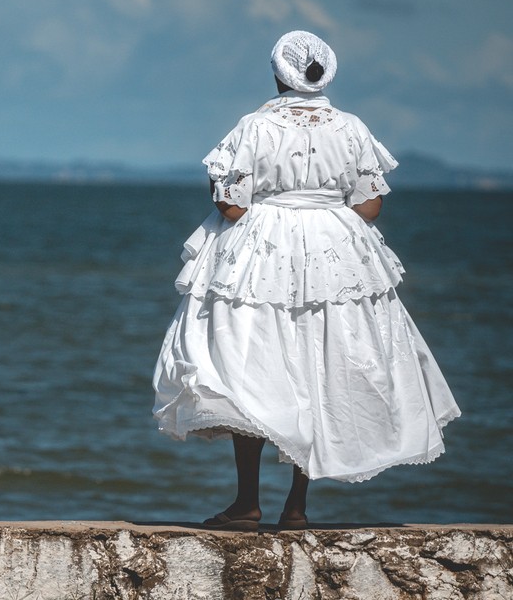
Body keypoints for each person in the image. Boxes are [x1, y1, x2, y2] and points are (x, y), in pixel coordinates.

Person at [152, 30, 461, 531]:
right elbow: (370, 205)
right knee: (320, 366)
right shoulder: (352, 127)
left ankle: (246, 502)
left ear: (278, 74)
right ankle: (296, 506)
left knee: (250, 369)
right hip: (337, 252)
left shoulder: (254, 127)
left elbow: (232, 207)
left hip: (260, 253)